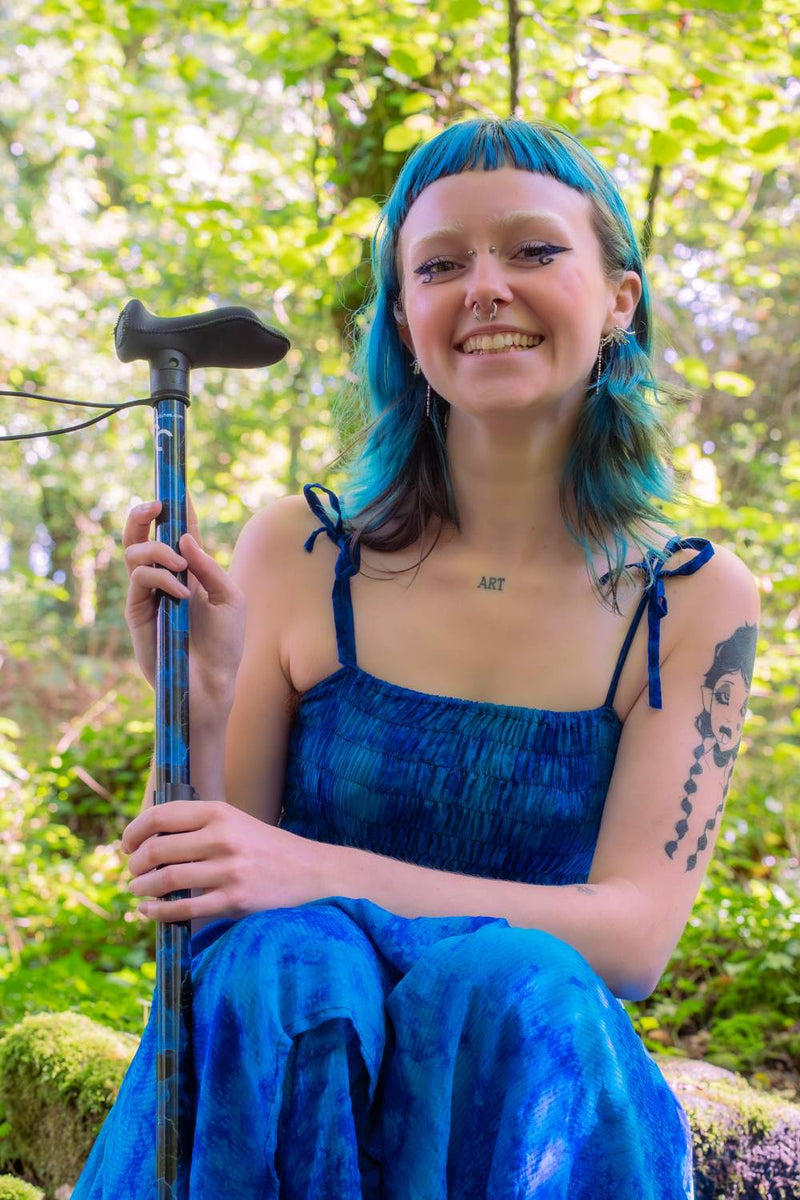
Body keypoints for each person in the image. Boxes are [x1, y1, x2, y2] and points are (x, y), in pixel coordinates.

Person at [72, 117, 759, 1199]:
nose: (482, 287)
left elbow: (630, 941)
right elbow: (211, 902)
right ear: (404, 314)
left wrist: (320, 870)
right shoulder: (298, 554)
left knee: (509, 975)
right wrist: (200, 701)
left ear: (618, 298)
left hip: (516, 1088)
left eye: (532, 251)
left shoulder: (690, 601)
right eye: (438, 265)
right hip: (284, 1074)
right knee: (284, 963)